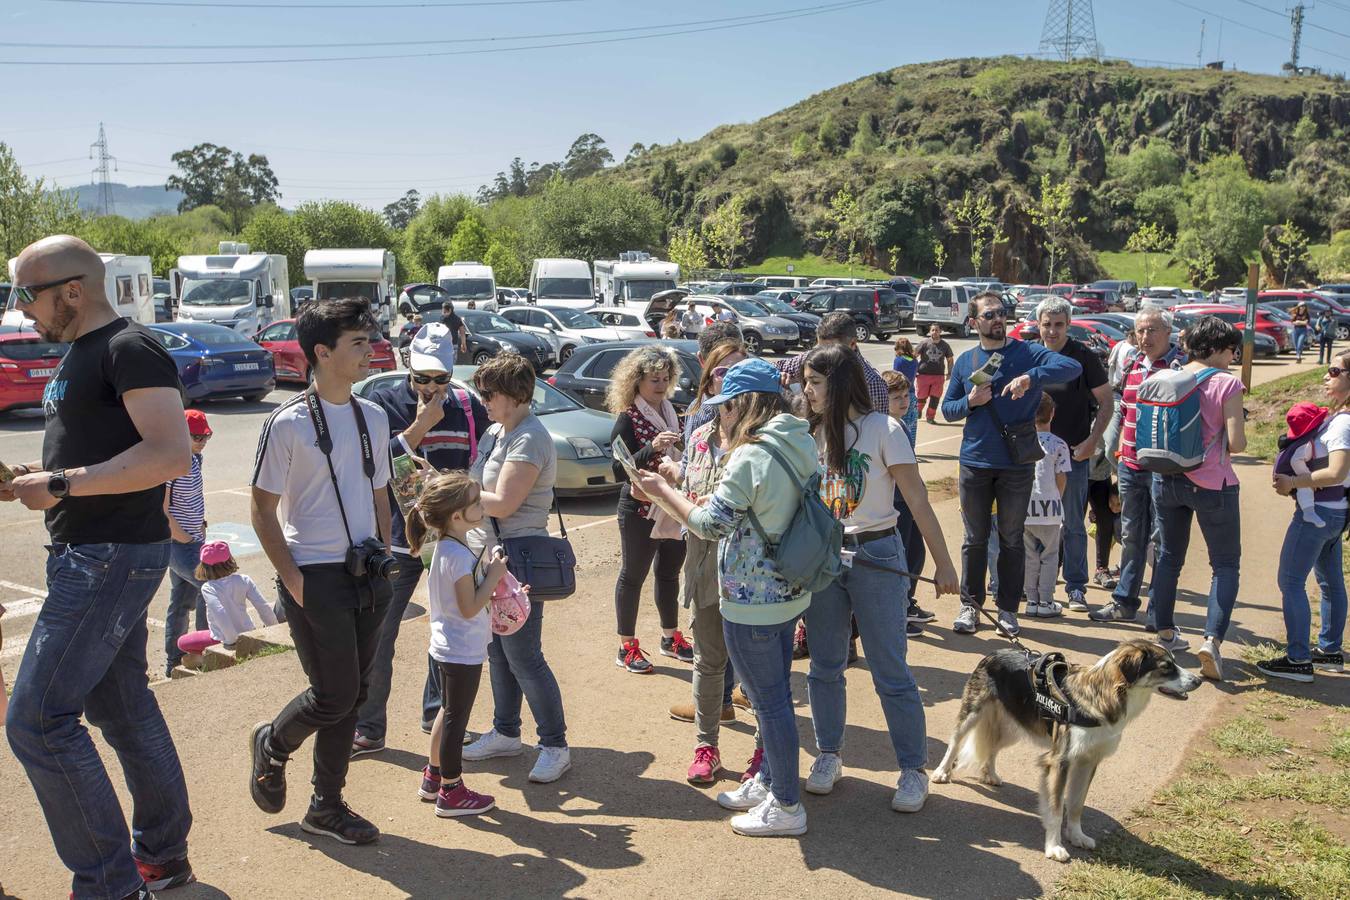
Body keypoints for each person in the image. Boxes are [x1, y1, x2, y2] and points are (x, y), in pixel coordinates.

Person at [2, 235, 195, 896]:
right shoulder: (84, 354)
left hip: (105, 557)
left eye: (29, 295)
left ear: (73, 291)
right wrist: (41, 475)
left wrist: (61, 486)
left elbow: (172, 454)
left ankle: (112, 886)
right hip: (94, 552)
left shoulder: (128, 348)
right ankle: (162, 856)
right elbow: (104, 453)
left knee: (36, 720)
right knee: (123, 707)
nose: (23, 310)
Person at [634, 358, 818, 837]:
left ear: (745, 405)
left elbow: (710, 523)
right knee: (771, 695)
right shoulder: (797, 437)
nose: (722, 416)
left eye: (727, 406)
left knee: (770, 701)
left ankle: (786, 804)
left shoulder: (752, 454)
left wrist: (660, 492)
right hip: (786, 589)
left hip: (752, 597)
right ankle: (770, 779)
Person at [249, 298, 395, 846]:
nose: (371, 351)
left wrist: (386, 552)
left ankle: (325, 808)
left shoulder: (373, 416)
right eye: (358, 343)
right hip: (314, 575)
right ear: (321, 352)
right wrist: (294, 582)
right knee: (333, 695)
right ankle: (274, 743)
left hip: (368, 574)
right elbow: (261, 510)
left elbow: (380, 491)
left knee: (353, 696)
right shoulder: (285, 424)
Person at [800, 345, 959, 813]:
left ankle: (913, 769)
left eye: (814, 382)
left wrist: (944, 565)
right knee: (824, 666)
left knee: (891, 670)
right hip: (826, 558)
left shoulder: (884, 429)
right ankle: (828, 755)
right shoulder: (810, 433)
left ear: (840, 384)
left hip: (878, 553)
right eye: (806, 382)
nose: (806, 390)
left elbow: (918, 501)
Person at [352, 323, 489, 757]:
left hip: (449, 542)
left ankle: (438, 716)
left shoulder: (469, 408)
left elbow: (481, 466)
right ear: (408, 369)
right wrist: (420, 424)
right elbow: (372, 463)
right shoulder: (382, 401)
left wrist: (450, 483)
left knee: (447, 630)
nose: (431, 387)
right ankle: (370, 727)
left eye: (441, 379)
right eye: (422, 377)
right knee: (379, 634)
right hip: (397, 539)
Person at [1107, 317, 1244, 679]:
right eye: (1231, 350)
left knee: (1168, 557)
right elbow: (1238, 442)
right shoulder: (1227, 383)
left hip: (1166, 478)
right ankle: (1211, 641)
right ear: (1216, 349)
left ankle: (1164, 632)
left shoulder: (1169, 376)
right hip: (1214, 483)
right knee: (1225, 564)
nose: (1232, 356)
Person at [942, 292, 1082, 637]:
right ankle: (970, 607)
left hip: (1017, 463)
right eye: (989, 315)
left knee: (1011, 538)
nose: (997, 319)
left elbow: (1072, 367)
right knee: (974, 538)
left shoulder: (1025, 351)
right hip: (975, 460)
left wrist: (1031, 378)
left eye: (1001, 313)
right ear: (974, 322)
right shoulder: (965, 361)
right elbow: (947, 410)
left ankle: (1007, 610)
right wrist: (971, 402)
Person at [461, 354, 571, 783]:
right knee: (499, 652)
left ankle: (555, 744)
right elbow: (480, 487)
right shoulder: (496, 431)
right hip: (491, 557)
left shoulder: (528, 438)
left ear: (514, 394)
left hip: (516, 560)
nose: (483, 400)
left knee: (524, 656)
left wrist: (451, 493)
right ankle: (506, 732)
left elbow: (504, 502)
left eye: (489, 393)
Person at [662, 349, 746, 783]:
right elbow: (692, 497)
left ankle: (764, 755)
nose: (723, 413)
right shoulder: (699, 439)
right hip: (704, 565)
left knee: (757, 669)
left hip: (752, 574)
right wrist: (665, 487)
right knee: (708, 660)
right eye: (718, 403)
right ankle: (706, 746)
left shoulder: (759, 447)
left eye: (730, 404)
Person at [408, 471, 511, 818]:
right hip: (461, 649)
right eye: (476, 503)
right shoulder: (459, 555)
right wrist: (495, 576)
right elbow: (469, 607)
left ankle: (433, 776)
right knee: (456, 718)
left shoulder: (446, 548)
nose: (482, 506)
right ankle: (451, 790)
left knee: (446, 712)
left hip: (445, 645)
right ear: (456, 516)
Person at [1090, 307, 1184, 627]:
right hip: (1130, 463)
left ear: (1168, 333)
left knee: (1159, 539)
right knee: (1131, 534)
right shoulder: (1132, 364)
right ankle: (1124, 600)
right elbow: (1126, 409)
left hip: (1163, 467)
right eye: (1140, 331)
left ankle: (1158, 609)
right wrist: (1117, 450)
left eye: (1152, 330)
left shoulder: (1178, 366)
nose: (1145, 337)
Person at [1259, 355, 1350, 683]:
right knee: (1330, 582)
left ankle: (1298, 659)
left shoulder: (1342, 424)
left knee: (1291, 581)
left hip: (1317, 515)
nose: (1327, 376)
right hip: (1337, 513)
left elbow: (1337, 471)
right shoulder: (1341, 418)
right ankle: (1330, 651)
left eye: (1335, 371)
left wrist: (1293, 483)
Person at [608, 345, 692, 672]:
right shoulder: (627, 417)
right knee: (633, 576)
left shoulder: (673, 411)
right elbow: (617, 470)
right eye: (653, 379)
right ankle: (625, 647)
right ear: (636, 381)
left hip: (672, 505)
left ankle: (670, 638)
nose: (660, 384)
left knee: (669, 574)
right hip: (640, 509)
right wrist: (651, 447)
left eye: (665, 378)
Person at [1031, 297, 1112, 613]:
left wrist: (1093, 440)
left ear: (1068, 324)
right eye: (1047, 324)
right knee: (1027, 521)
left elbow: (1106, 402)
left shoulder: (1083, 357)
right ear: (1039, 324)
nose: (1052, 331)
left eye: (1058, 324)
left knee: (1073, 523)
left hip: (1073, 456)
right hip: (1031, 457)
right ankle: (1033, 586)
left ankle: (1076, 587)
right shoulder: (1028, 354)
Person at [163, 408, 213, 676]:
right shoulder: (171, 463)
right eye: (197, 437)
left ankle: (174, 661)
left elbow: (192, 496)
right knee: (209, 586)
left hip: (194, 537)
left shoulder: (195, 459)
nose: (203, 441)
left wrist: (200, 524)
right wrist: (182, 536)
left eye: (206, 436)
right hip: (178, 542)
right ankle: (203, 650)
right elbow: (163, 509)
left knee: (181, 598)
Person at [881, 370, 931, 633]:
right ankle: (899, 611)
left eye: (906, 395)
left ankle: (907, 603)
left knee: (915, 553)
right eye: (896, 397)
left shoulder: (900, 423)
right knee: (903, 558)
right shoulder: (887, 426)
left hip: (908, 500)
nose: (903, 401)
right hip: (897, 503)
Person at [175, 541, 278, 658]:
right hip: (248, 632)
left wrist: (231, 641)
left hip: (222, 638)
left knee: (181, 642)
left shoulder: (208, 588)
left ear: (203, 566)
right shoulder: (244, 580)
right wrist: (273, 627)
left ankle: (204, 660)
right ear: (229, 560)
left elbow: (219, 612)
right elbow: (262, 606)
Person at [777, 311, 889, 412]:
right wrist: (779, 375)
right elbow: (772, 367)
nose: (824, 357)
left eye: (832, 349)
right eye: (820, 348)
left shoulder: (871, 382)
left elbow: (879, 430)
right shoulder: (810, 359)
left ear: (853, 344)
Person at [1023, 394, 1072, 618]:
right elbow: (1061, 476)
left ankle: (1031, 599)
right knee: (1050, 555)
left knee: (1030, 555)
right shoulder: (1059, 444)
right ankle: (1046, 600)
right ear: (1052, 413)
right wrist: (1058, 498)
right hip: (1049, 506)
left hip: (1026, 506)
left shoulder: (1023, 440)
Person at [915, 324, 953, 425]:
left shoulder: (945, 345)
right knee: (921, 397)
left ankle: (930, 417)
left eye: (936, 330)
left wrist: (950, 372)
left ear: (940, 331)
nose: (934, 332)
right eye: (932, 330)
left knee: (935, 398)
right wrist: (912, 370)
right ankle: (918, 411)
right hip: (923, 375)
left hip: (938, 376)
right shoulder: (924, 343)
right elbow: (914, 356)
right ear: (930, 331)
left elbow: (950, 360)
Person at [891, 336, 920, 438]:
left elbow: (895, 377)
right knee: (911, 427)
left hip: (901, 396)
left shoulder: (898, 360)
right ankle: (911, 449)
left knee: (900, 425)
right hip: (912, 395)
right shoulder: (914, 360)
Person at [440, 300, 468, 366]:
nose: (443, 313)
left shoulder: (443, 319)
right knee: (453, 364)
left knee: (444, 364)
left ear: (449, 310)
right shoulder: (457, 319)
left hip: (445, 345)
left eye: (444, 312)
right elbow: (462, 332)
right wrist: (463, 343)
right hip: (454, 344)